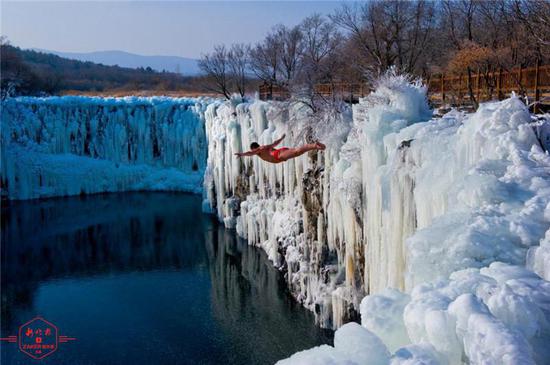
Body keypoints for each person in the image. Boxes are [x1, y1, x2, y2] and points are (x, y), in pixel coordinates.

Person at [234, 134, 325, 164]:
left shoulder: (259, 150)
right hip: (279, 153)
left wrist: (242, 154)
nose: (253, 151)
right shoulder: (263, 148)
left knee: (297, 151)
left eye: (253, 149)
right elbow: (274, 143)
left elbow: (250, 153)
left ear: (254, 148)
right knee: (297, 152)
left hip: (278, 155)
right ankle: (314, 146)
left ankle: (314, 145)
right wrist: (281, 139)